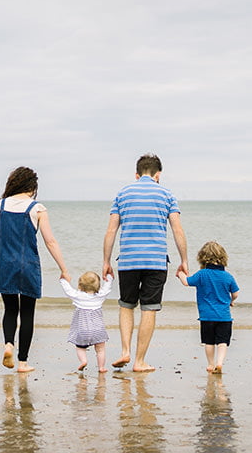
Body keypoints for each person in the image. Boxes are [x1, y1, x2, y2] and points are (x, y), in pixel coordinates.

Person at [102, 153, 188, 372]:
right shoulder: (167, 194)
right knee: (148, 309)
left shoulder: (123, 193)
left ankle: (125, 351)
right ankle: (139, 361)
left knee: (126, 305)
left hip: (128, 260)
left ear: (137, 174)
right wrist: (184, 260)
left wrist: (106, 260)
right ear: (158, 175)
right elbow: (177, 230)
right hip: (156, 261)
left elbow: (112, 229)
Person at [0, 166, 70, 373]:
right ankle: (22, 363)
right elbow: (50, 241)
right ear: (32, 187)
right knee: (28, 313)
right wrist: (63, 268)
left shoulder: (0, 205)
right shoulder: (37, 208)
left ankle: (8, 345)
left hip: (4, 264)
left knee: (10, 309)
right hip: (28, 265)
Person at [175, 241, 240, 374]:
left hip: (206, 316)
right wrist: (230, 301)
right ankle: (219, 363)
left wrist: (180, 273)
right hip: (224, 317)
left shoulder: (202, 274)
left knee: (209, 342)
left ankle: (210, 364)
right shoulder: (228, 276)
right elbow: (236, 293)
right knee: (223, 342)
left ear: (202, 258)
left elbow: (187, 282)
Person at [60, 271, 114, 373]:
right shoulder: (100, 296)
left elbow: (68, 290)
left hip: (82, 330)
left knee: (80, 347)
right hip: (98, 330)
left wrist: (63, 280)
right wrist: (109, 277)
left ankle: (83, 361)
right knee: (100, 349)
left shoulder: (78, 296)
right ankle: (101, 367)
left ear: (80, 285)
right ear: (98, 285)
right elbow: (107, 287)